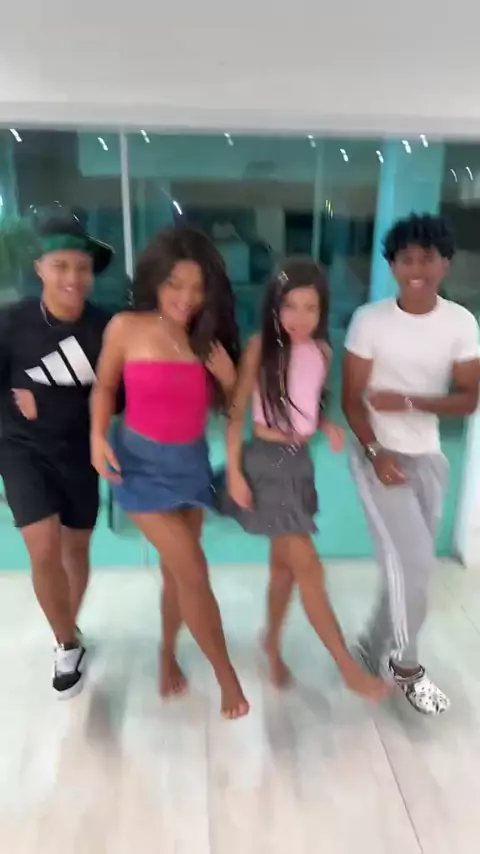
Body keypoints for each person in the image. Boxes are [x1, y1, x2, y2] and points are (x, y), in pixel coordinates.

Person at [90, 225, 249, 720]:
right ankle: (227, 677)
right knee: (194, 570)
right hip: (138, 468)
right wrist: (96, 435)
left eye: (197, 287)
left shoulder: (209, 340)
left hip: (190, 465)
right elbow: (104, 386)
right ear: (155, 281)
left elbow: (235, 413)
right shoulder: (126, 327)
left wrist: (231, 380)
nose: (186, 297)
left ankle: (166, 653)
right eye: (175, 284)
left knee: (176, 574)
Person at [222, 258, 388, 699]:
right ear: (274, 307)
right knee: (310, 568)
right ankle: (347, 667)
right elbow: (236, 414)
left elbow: (307, 402)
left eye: (310, 308)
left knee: (285, 570)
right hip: (266, 465)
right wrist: (234, 471)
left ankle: (271, 643)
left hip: (299, 464)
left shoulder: (323, 352)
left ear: (322, 310)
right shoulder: (260, 347)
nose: (299, 317)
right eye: (290, 306)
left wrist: (325, 425)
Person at [342, 213, 480, 715]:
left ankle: (370, 645)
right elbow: (352, 399)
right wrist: (375, 453)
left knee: (407, 568)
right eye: (406, 259)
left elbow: (468, 398)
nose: (416, 269)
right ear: (393, 265)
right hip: (376, 454)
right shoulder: (370, 320)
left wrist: (409, 401)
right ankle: (406, 668)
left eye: (427, 258)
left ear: (445, 264)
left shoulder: (461, 323)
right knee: (416, 564)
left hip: (428, 456)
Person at [0, 214, 115, 699]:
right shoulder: (12, 321)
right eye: (61, 266)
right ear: (40, 268)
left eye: (82, 268)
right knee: (43, 547)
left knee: (76, 549)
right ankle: (66, 644)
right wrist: (13, 404)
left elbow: (117, 397)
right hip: (21, 449)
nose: (72, 277)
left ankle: (69, 623)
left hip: (80, 452)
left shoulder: (107, 327)